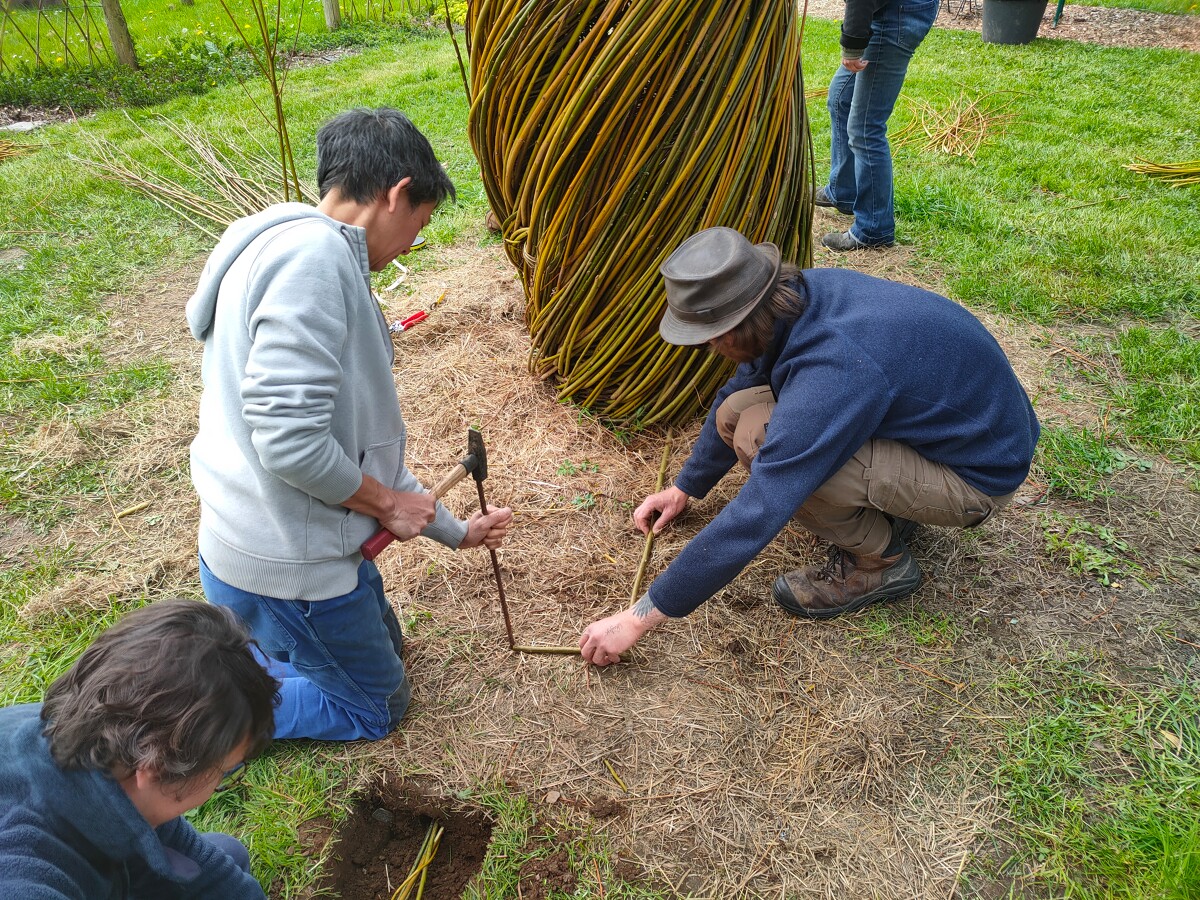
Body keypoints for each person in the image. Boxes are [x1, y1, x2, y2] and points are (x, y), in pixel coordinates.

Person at [186, 108, 513, 742]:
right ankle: (209, 718)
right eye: (419, 221)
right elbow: (290, 440)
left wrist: (455, 530)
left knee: (388, 647)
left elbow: (357, 448)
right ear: (396, 193)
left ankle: (244, 660)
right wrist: (387, 503)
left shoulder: (275, 243)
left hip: (250, 541)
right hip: (289, 564)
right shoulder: (314, 261)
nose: (414, 242)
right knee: (377, 706)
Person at [579, 227, 1038, 665]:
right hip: (949, 435)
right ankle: (888, 510)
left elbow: (761, 508)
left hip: (976, 479)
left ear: (736, 326)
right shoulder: (795, 301)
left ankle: (881, 563)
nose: (709, 349)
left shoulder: (835, 365)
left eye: (709, 340)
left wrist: (641, 616)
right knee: (737, 414)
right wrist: (685, 487)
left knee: (762, 441)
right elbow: (744, 382)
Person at [0, 599, 277, 899]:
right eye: (224, 772)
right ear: (156, 766)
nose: (220, 782)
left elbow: (185, 853)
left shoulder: (96, 732)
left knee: (227, 855)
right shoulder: (25, 871)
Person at [817, 0, 941, 251]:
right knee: (840, 99)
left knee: (865, 129)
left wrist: (852, 44)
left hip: (895, 16)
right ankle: (843, 191)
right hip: (890, 9)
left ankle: (874, 228)